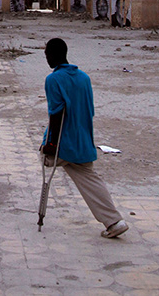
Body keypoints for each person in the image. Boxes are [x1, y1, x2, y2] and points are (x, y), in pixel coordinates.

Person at [39, 38, 127, 239]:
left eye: (47, 55)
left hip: (64, 144)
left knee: (45, 158)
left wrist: (50, 144)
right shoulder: (84, 78)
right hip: (84, 142)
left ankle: (113, 220)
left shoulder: (53, 80)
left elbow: (57, 114)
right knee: (88, 177)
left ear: (53, 55)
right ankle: (114, 221)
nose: (46, 59)